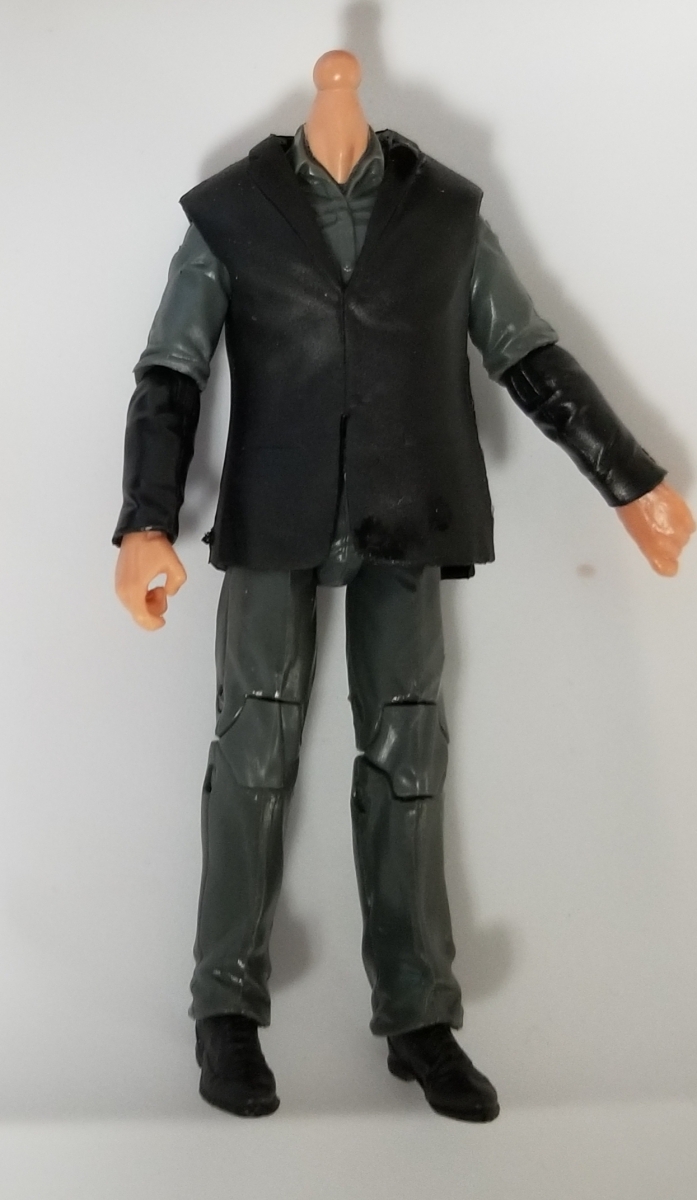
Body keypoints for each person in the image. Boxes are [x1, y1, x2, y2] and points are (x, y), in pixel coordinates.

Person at [114, 52, 694, 1121]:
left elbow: (528, 355)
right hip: (274, 509)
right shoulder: (231, 213)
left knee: (408, 752)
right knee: (250, 747)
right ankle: (223, 1004)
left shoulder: (445, 216)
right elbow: (171, 370)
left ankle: (419, 1012)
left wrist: (631, 483)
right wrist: (147, 521)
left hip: (408, 504)